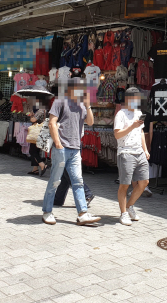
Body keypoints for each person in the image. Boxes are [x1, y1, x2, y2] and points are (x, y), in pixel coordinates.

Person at [41, 79, 100, 226]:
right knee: (55, 181)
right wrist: (58, 143)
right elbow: (51, 122)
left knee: (78, 182)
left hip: (75, 148)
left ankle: (82, 214)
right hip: (62, 148)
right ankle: (47, 212)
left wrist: (88, 105)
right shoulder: (60, 101)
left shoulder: (82, 105)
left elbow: (91, 122)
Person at [113, 87, 150, 226]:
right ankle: (123, 213)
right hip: (125, 152)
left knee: (144, 182)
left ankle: (129, 206)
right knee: (125, 184)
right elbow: (117, 135)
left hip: (139, 151)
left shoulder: (139, 112)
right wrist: (132, 126)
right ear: (128, 99)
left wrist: (145, 149)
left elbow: (141, 132)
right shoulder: (121, 114)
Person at [26, 97, 48, 175]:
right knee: (35, 150)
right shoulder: (41, 109)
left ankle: (42, 165)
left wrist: (31, 115)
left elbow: (33, 120)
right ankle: (35, 169)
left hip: (37, 133)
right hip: (39, 133)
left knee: (32, 151)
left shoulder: (41, 110)